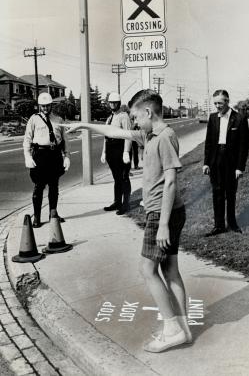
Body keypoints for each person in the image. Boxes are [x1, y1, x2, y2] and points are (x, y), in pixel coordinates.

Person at [62, 89, 192, 353]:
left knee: (147, 270)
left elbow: (170, 183)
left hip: (161, 213)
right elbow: (114, 133)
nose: (133, 123)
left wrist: (163, 223)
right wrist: (84, 125)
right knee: (169, 271)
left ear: (148, 112)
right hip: (167, 212)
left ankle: (172, 329)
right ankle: (182, 328)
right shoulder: (150, 134)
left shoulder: (164, 137)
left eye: (135, 117)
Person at [203, 89, 249, 236]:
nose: (217, 106)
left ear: (227, 102)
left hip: (231, 162)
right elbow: (209, 142)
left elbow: (244, 145)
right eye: (215, 103)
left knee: (230, 193)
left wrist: (239, 167)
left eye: (220, 103)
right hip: (215, 160)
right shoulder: (212, 118)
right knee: (217, 192)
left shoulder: (240, 118)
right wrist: (206, 163)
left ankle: (232, 223)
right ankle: (218, 225)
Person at [23, 92, 70, 228]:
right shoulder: (33, 119)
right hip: (40, 155)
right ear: (39, 106)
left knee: (54, 186)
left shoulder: (58, 120)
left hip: (54, 155)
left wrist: (66, 156)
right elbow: (27, 139)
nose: (45, 108)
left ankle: (53, 214)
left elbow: (65, 140)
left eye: (47, 106)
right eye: (43, 106)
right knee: (39, 186)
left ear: (51, 106)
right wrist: (27, 156)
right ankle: (37, 217)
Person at [100, 92, 132, 215]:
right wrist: (104, 152)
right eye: (111, 102)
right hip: (111, 150)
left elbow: (128, 135)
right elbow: (105, 136)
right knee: (116, 178)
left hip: (120, 149)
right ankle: (117, 202)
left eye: (115, 102)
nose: (113, 104)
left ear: (119, 103)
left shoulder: (123, 116)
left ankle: (126, 204)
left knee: (124, 177)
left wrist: (126, 152)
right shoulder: (109, 118)